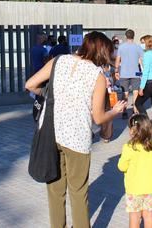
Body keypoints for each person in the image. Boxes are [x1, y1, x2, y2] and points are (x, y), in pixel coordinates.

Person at [25, 31, 127, 228]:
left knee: (55, 192)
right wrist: (115, 111)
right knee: (78, 193)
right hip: (77, 138)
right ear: (101, 51)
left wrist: (47, 95)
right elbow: (98, 117)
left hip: (51, 133)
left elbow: (30, 84)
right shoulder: (96, 76)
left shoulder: (58, 61)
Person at [117, 113, 152, 228]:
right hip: (151, 188)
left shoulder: (129, 147)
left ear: (133, 130)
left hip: (134, 188)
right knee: (149, 216)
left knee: (135, 217)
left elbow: (121, 166)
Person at [115, 29, 144, 119]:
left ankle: (124, 111)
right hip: (136, 73)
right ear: (134, 36)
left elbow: (118, 59)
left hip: (124, 72)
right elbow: (142, 61)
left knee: (125, 93)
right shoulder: (138, 47)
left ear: (125, 36)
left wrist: (116, 70)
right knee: (135, 93)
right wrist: (143, 72)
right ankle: (135, 111)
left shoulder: (121, 47)